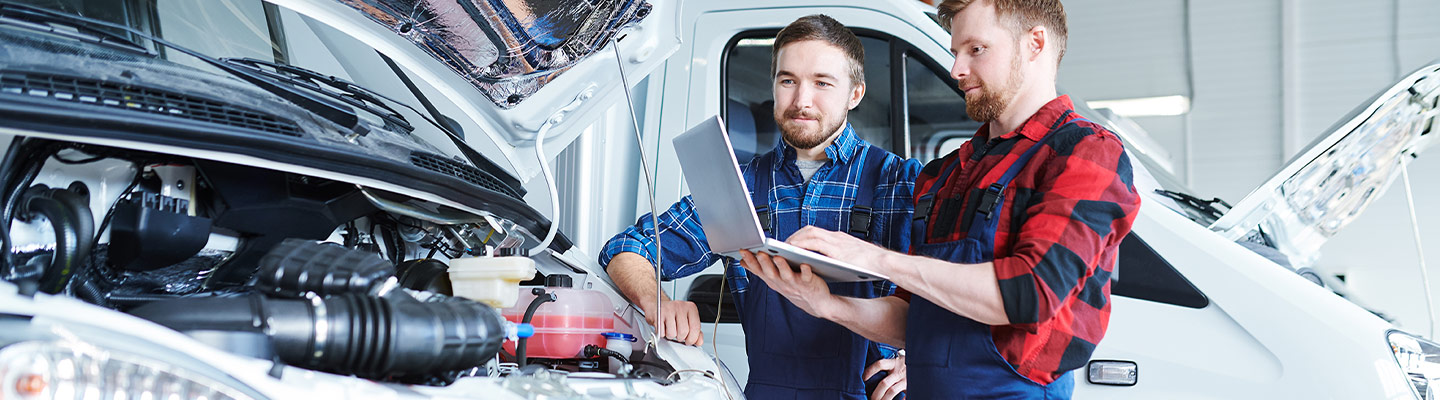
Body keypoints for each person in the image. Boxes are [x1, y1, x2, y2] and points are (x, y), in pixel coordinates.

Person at [737, 0, 1142, 398]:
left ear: (1034, 43)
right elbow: (916, 319)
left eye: (976, 50)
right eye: (955, 52)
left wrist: (875, 258)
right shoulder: (948, 173)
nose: (956, 69)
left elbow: (1029, 293)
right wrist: (826, 305)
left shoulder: (1084, 153)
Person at [599, 14, 921, 400]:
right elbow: (627, 249)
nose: (801, 100)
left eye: (822, 83)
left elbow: (967, 285)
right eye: (788, 81)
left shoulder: (899, 182)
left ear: (855, 94)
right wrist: (658, 303)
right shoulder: (740, 187)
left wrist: (921, 358)